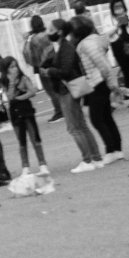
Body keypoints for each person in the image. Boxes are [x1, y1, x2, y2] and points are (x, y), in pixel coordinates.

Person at [46, 20, 104, 171]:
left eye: (51, 29)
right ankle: (96, 158)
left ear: (59, 31)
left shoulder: (65, 48)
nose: (48, 32)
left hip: (68, 90)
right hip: (72, 89)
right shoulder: (65, 46)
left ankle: (87, 160)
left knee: (74, 127)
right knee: (82, 126)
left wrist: (50, 71)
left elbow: (65, 71)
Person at [72, 15, 125, 164]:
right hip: (100, 82)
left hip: (97, 83)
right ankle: (117, 150)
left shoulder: (86, 44)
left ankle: (111, 150)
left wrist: (110, 81)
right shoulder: (94, 40)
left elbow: (101, 64)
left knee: (97, 119)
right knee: (107, 117)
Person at [1, 56, 50, 182]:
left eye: (15, 65)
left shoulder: (23, 78)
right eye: (11, 67)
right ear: (6, 70)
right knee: (21, 141)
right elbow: (9, 96)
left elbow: (32, 91)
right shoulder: (5, 82)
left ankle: (42, 164)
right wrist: (12, 83)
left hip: (27, 110)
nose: (15, 69)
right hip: (15, 113)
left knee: (35, 138)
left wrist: (20, 98)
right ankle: (25, 167)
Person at [26, 16, 65, 121]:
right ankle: (62, 109)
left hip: (42, 66)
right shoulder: (47, 34)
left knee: (50, 90)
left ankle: (59, 111)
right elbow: (50, 49)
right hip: (53, 62)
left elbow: (31, 56)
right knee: (57, 87)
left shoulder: (33, 39)